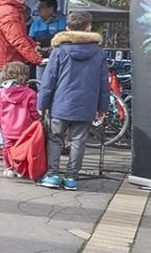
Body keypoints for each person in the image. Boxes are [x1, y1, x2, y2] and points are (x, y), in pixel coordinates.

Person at [36, 11, 109, 190]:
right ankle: (71, 178)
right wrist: (102, 107)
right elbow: (103, 83)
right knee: (79, 140)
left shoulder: (59, 51)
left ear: (67, 27)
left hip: (60, 104)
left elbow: (48, 81)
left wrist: (41, 104)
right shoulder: (99, 53)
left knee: (54, 138)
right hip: (86, 105)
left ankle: (53, 175)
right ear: (89, 27)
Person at [0, 0, 45, 157]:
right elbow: (16, 39)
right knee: (5, 105)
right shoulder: (8, 12)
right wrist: (36, 58)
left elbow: (20, 37)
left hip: (3, 62)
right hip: (5, 64)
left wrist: (34, 45)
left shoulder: (10, 10)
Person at [0, 62, 39, 178]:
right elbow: (34, 111)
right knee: (24, 148)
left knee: (7, 148)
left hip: (7, 128)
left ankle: (8, 167)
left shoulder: (0, 93)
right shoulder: (30, 93)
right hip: (25, 128)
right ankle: (21, 168)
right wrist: (37, 120)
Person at [29, 0, 65, 80]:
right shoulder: (36, 22)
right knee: (40, 83)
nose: (38, 9)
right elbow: (30, 40)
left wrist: (51, 49)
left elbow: (65, 41)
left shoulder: (63, 21)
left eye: (42, 7)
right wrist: (35, 48)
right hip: (41, 58)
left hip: (58, 59)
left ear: (51, 9)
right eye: (38, 7)